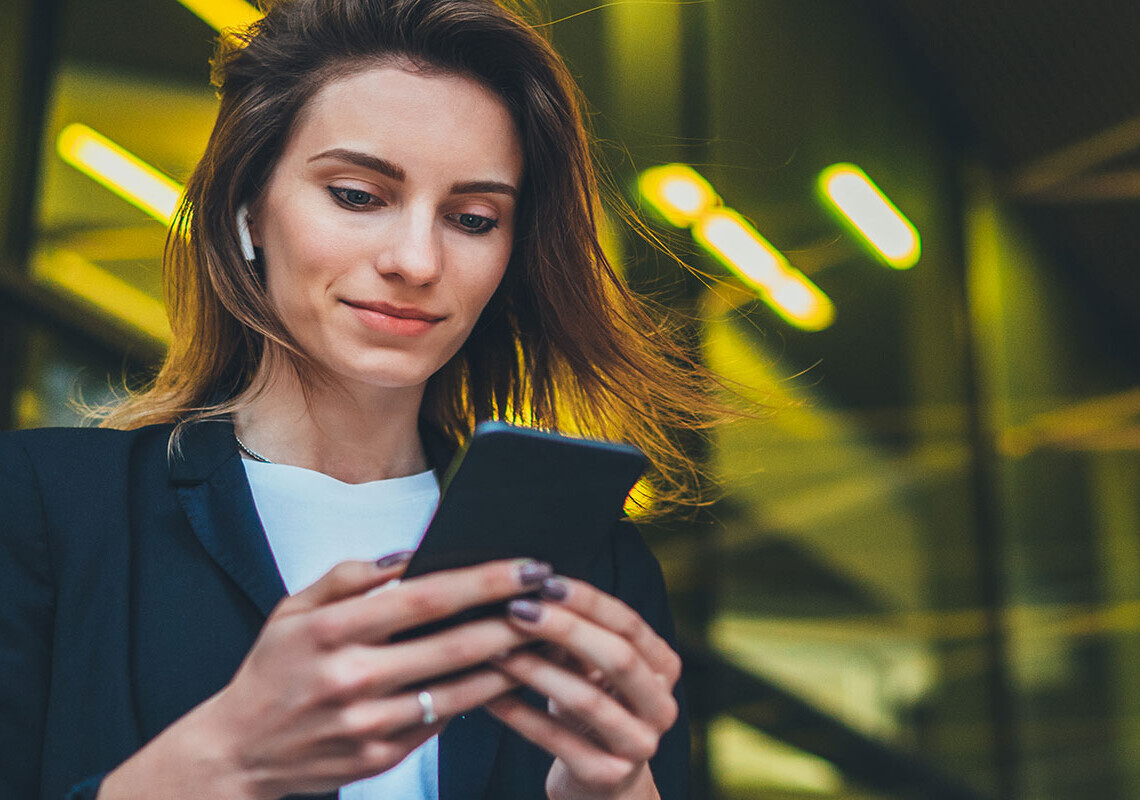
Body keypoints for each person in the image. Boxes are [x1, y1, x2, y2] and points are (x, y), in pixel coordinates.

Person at [0, 0, 722, 797]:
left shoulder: (593, 570)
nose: (416, 259)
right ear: (248, 208)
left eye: (473, 218)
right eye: (356, 195)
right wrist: (225, 759)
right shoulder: (43, 508)